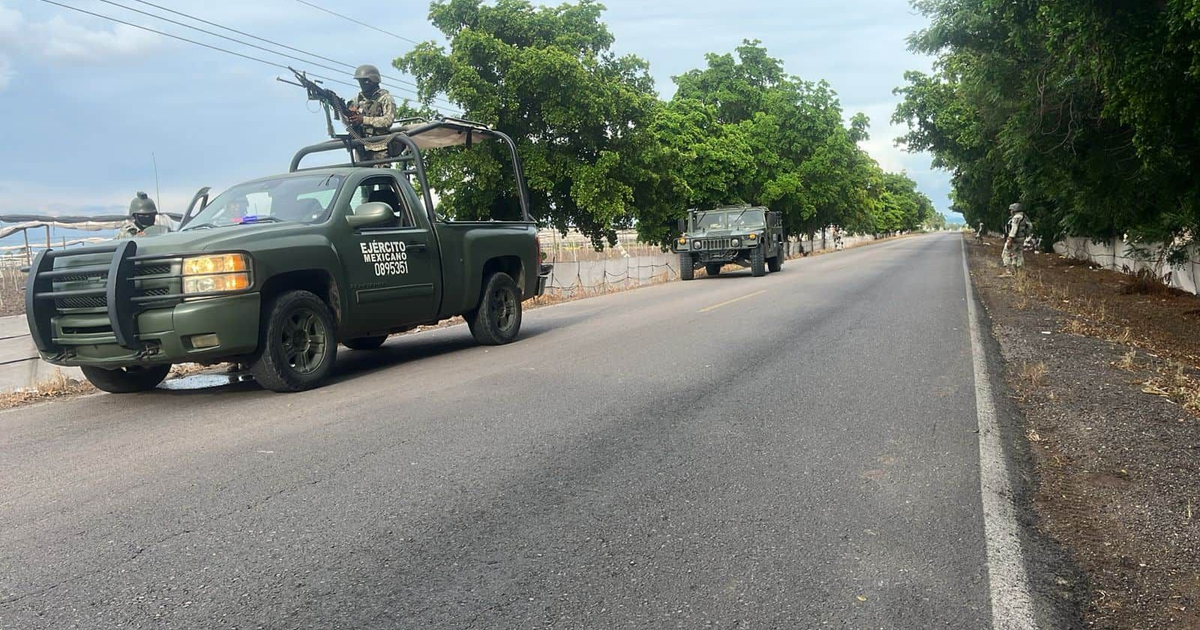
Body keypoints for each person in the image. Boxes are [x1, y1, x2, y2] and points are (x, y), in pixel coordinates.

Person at [346, 64, 396, 167]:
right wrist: (349, 114)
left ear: (373, 80)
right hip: (361, 146)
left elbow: (388, 121)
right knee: (363, 180)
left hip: (379, 147)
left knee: (383, 179)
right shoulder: (356, 100)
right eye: (361, 81)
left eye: (365, 80)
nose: (363, 84)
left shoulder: (385, 98)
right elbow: (347, 120)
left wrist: (364, 119)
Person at [1001, 202, 1032, 276]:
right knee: (1019, 255)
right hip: (1021, 239)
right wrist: (1025, 235)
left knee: (1006, 253)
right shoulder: (1025, 217)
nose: (1010, 212)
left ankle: (1008, 271)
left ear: (1015, 210)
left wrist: (1010, 239)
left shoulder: (1016, 217)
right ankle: (1019, 272)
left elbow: (1014, 229)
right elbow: (1030, 227)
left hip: (1014, 239)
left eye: (1011, 210)